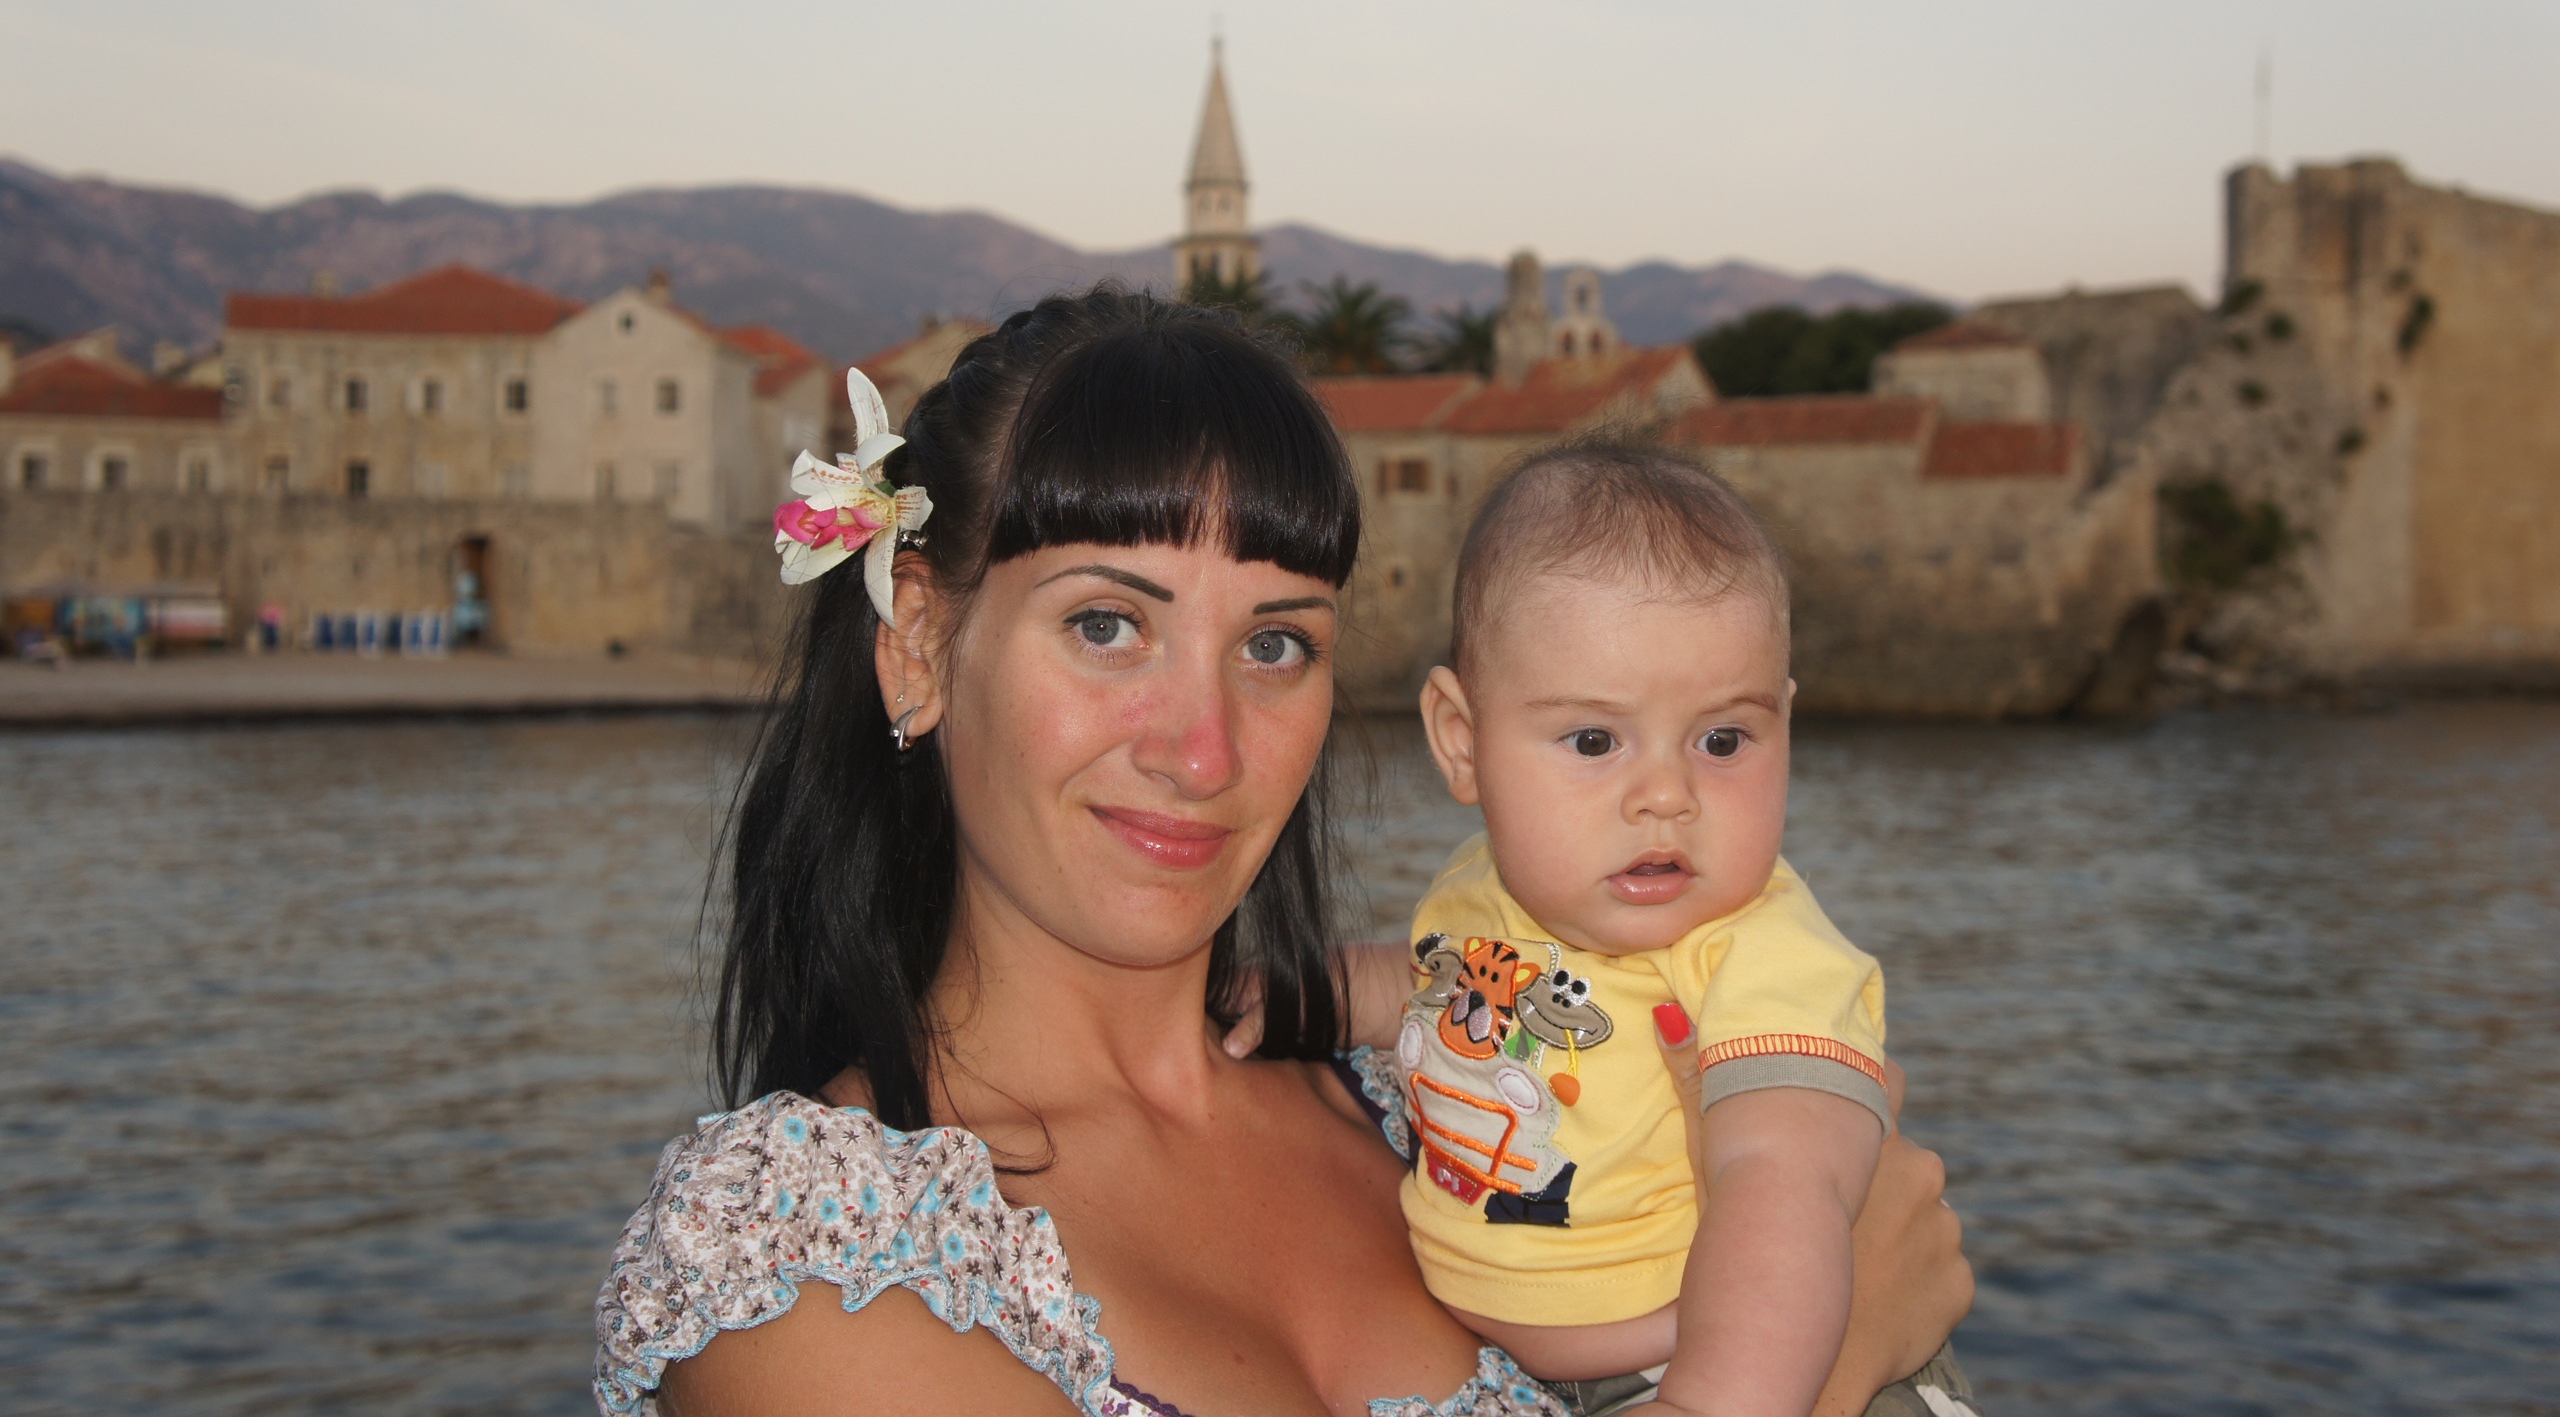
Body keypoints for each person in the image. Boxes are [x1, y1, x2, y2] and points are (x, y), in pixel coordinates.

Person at [593, 289, 1972, 1417]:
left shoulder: (1427, 1098)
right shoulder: (799, 1258)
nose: (1203, 751)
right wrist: (1838, 1360)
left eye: (1274, 645)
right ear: (917, 643)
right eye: (1106, 625)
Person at [1385, 442, 1973, 1417]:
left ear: (1786, 725)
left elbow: (1783, 1194)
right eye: (1594, 741)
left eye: (1722, 740)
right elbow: (1424, 987)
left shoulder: (1764, 957)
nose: (1666, 794)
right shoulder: (1482, 888)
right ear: (1463, 741)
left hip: (1722, 1368)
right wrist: (1299, 993)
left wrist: (1706, 1402)